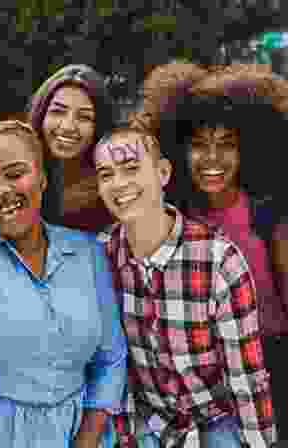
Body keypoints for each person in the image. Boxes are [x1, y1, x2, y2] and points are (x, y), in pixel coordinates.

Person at [0, 120, 127, 448]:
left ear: (43, 178)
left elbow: (111, 360)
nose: (1, 190)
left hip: (77, 435)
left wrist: (86, 442)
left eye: (15, 174)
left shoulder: (87, 251)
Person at [131, 61, 288, 442]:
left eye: (226, 145)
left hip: (273, 374)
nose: (212, 159)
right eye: (199, 146)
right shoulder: (172, 218)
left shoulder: (266, 217)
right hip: (204, 388)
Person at [93, 127, 277, 447]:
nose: (119, 183)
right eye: (106, 174)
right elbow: (109, 368)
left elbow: (246, 380)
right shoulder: (99, 257)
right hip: (145, 423)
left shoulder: (220, 260)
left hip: (213, 422)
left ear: (163, 173)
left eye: (132, 168)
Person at [28, 64, 115, 232]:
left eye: (84, 117)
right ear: (41, 114)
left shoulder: (114, 190)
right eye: (58, 112)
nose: (68, 126)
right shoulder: (18, 178)